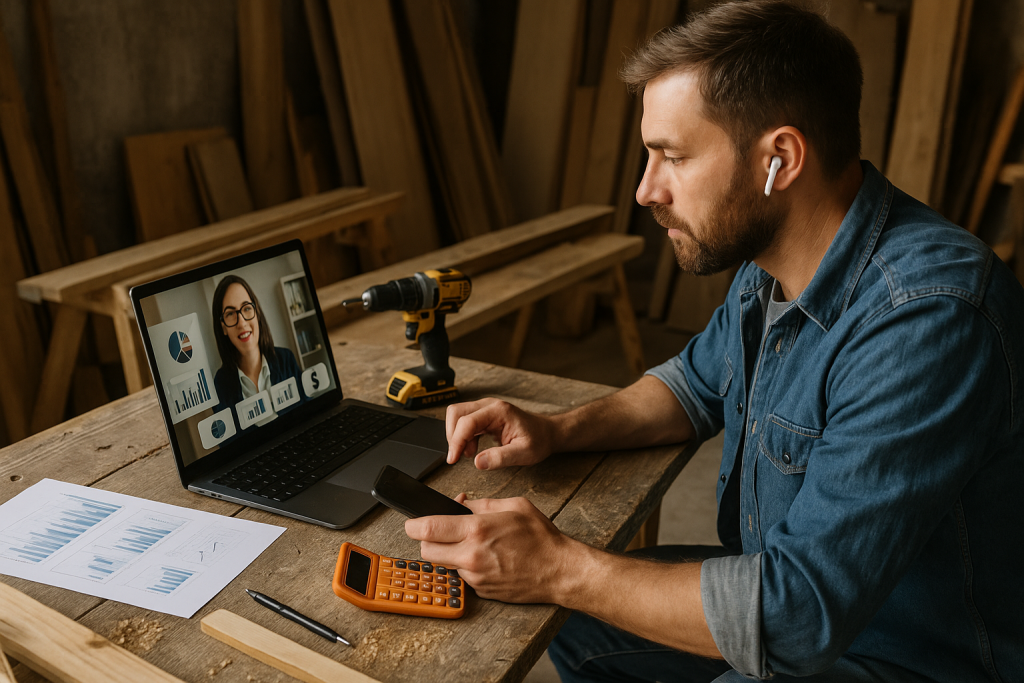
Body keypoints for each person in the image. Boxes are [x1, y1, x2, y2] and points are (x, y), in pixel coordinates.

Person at [404, 2, 1024, 682]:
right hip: (805, 607)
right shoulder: (773, 266)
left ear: (778, 160)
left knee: (567, 584)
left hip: (907, 654)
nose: (645, 191)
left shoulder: (927, 319)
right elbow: (692, 385)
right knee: (574, 619)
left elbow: (796, 617)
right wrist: (558, 429)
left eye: (671, 156)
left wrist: (557, 564)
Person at [211, 274, 303, 431]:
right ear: (223, 327)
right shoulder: (221, 384)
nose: (242, 322)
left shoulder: (286, 359)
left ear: (257, 313)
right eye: (230, 314)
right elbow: (230, 447)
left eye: (246, 308)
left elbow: (310, 414)